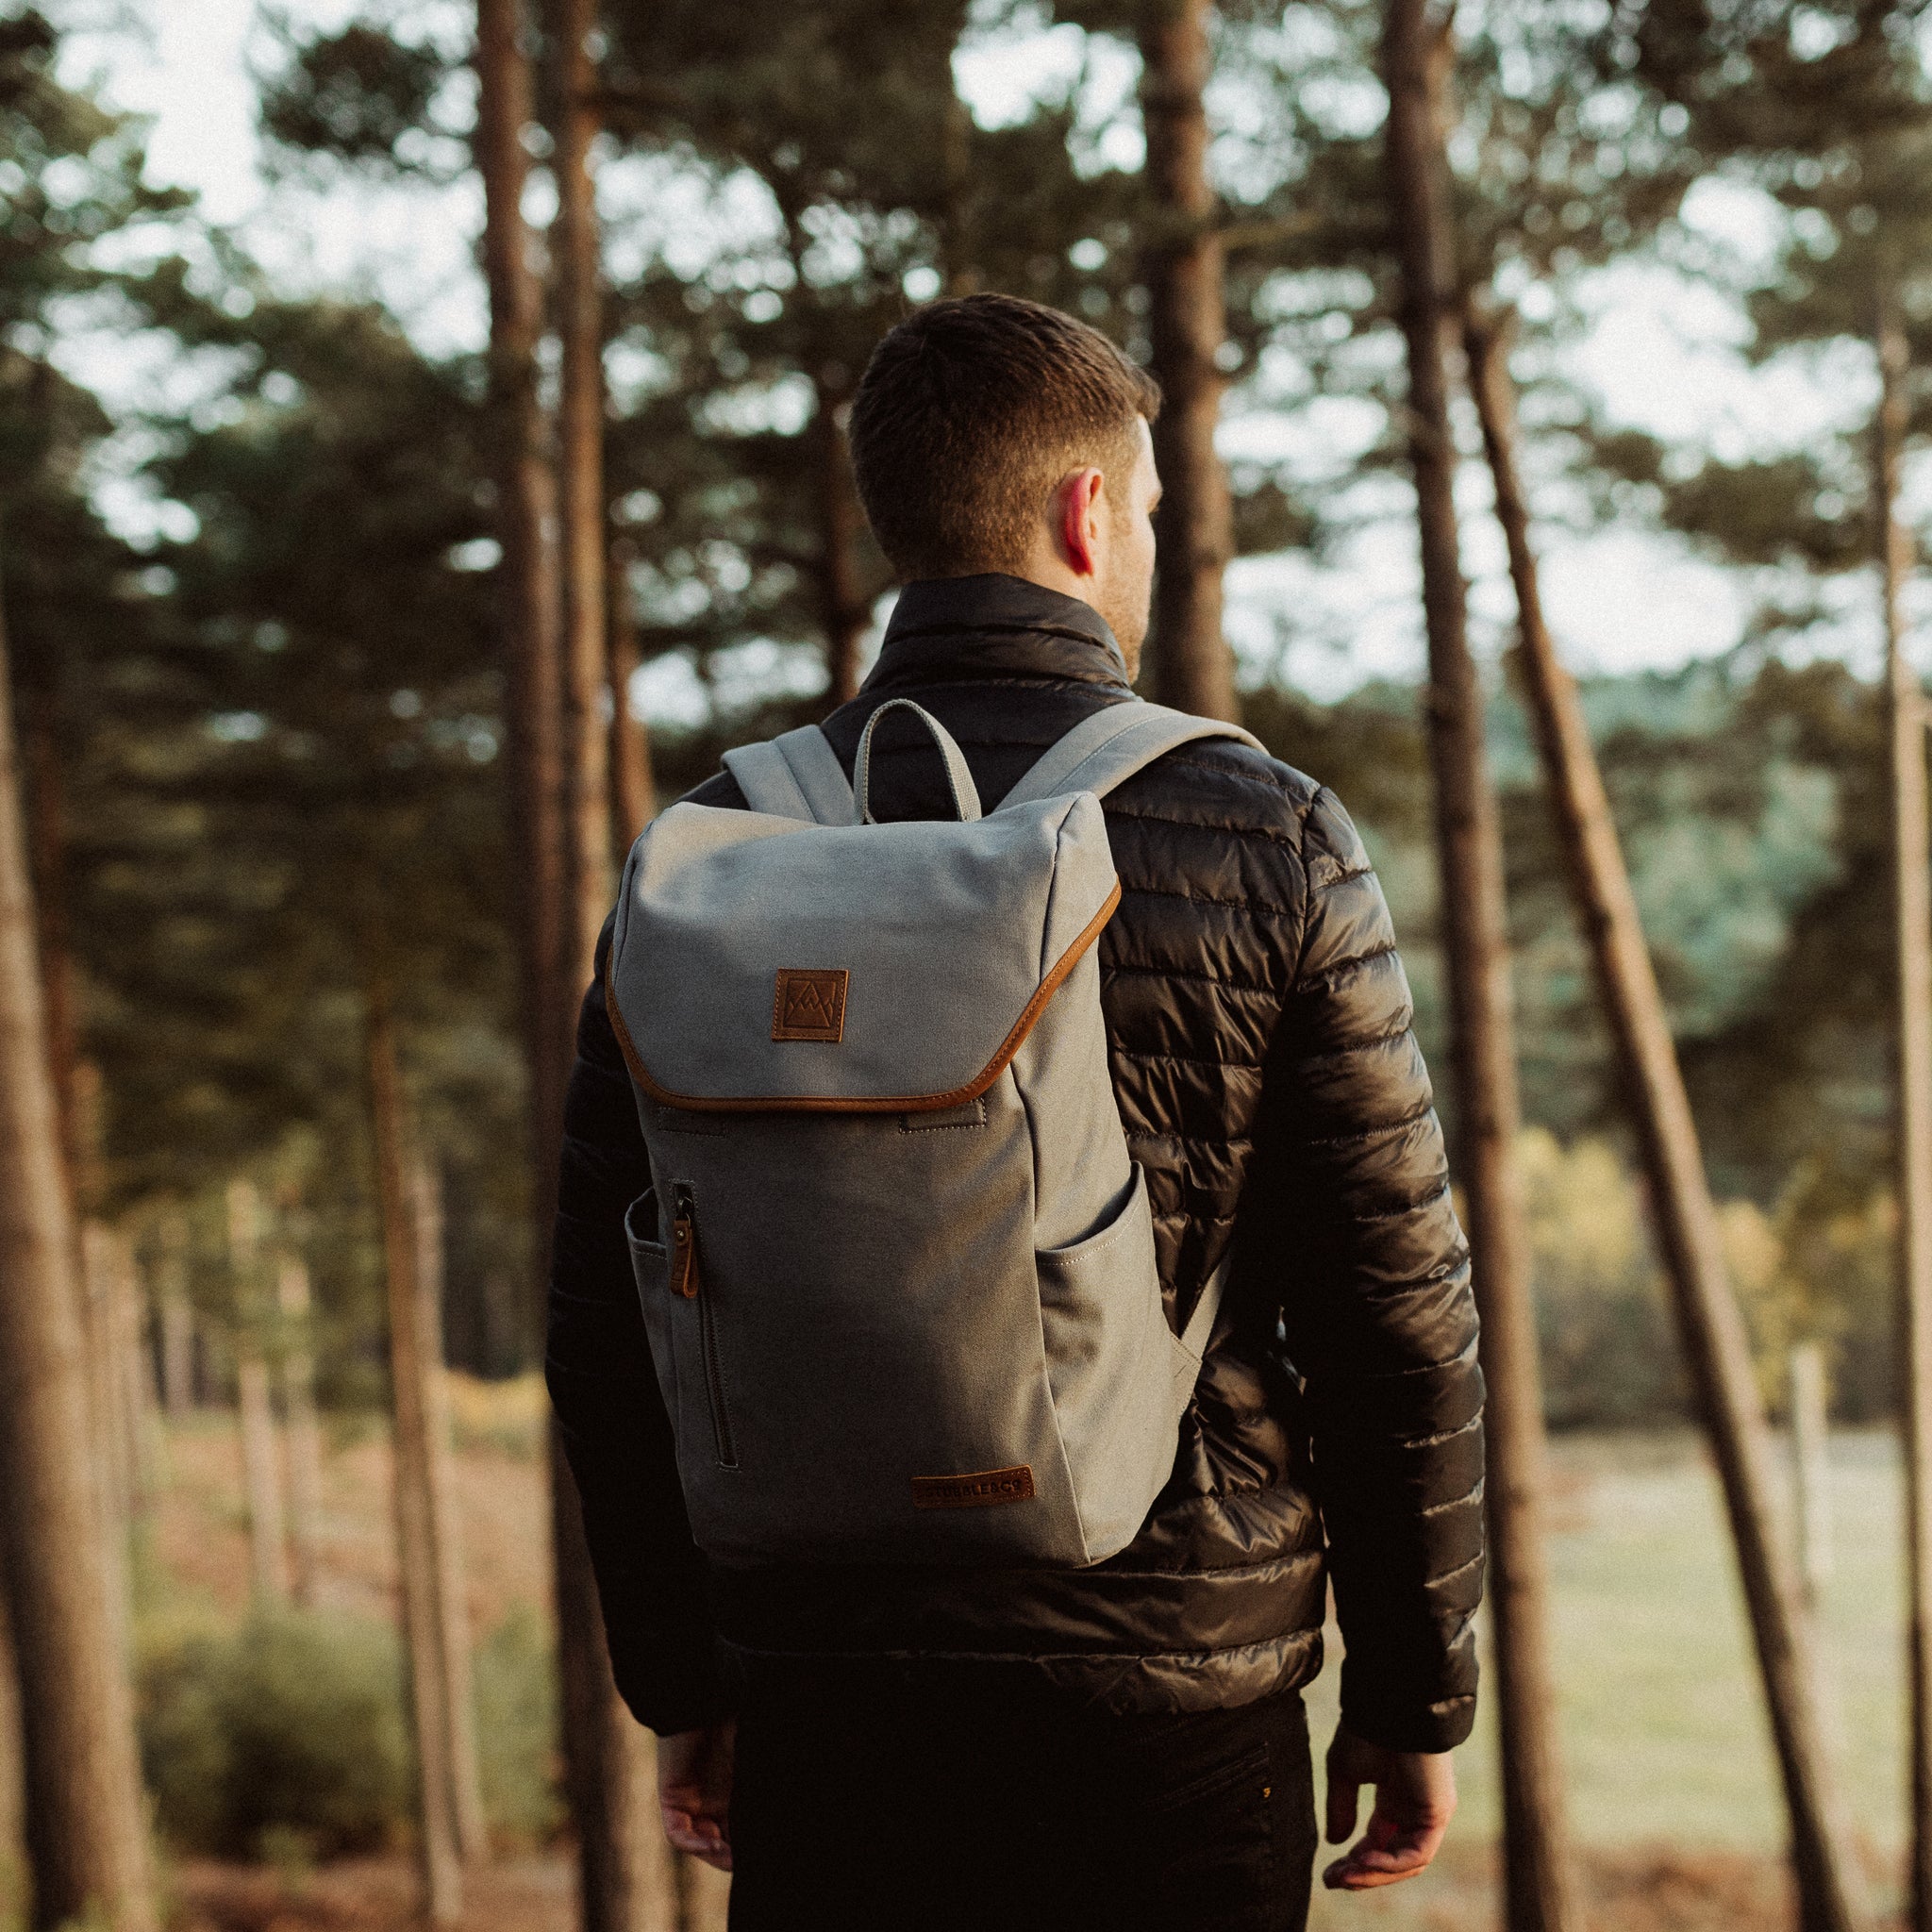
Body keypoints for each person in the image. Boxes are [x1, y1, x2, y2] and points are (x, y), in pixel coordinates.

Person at [547, 292, 1484, 1932]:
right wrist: (1414, 1695)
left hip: (832, 1699)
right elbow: (1394, 1312)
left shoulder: (708, 854)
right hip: (1180, 1701)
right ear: (1086, 511)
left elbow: (607, 1314)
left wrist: (681, 1676)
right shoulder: (1267, 832)